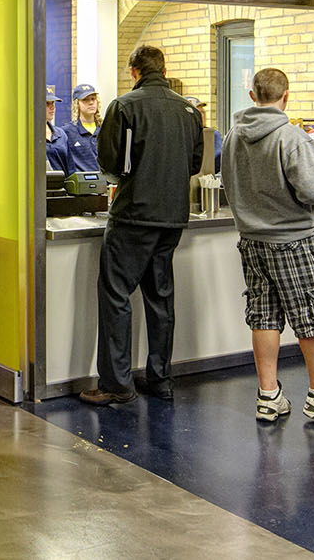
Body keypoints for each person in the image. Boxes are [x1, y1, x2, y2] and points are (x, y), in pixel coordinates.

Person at [221, 67, 314, 425]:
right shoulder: (293, 138)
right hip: (295, 241)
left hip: (252, 242)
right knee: (311, 316)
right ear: (286, 96)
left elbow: (228, 182)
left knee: (264, 315)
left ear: (252, 96)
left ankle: (268, 397)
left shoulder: (232, 137)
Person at [79, 46, 203, 406]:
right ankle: (160, 379)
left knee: (116, 294)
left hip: (133, 215)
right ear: (163, 70)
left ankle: (117, 384)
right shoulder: (188, 111)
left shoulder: (125, 106)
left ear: (134, 71)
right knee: (161, 297)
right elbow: (194, 163)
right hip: (173, 217)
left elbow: (109, 160)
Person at [62, 83, 102, 172]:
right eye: (85, 100)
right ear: (77, 104)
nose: (91, 102)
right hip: (81, 183)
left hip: (104, 184)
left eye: (93, 99)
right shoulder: (67, 132)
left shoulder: (105, 130)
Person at [44, 85, 69, 173]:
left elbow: (69, 166)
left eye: (53, 103)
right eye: (47, 103)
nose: (52, 107)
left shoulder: (61, 134)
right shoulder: (28, 134)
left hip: (61, 185)